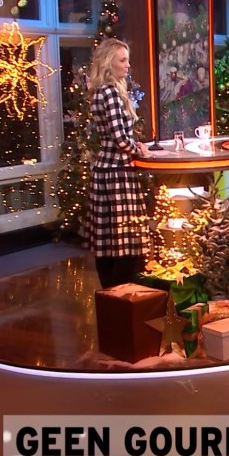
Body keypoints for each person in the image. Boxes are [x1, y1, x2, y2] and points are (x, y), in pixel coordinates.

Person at [86, 38, 151, 289]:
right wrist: (140, 151)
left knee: (108, 242)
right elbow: (120, 139)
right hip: (117, 175)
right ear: (108, 63)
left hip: (105, 172)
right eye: (122, 60)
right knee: (126, 241)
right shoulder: (111, 93)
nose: (128, 65)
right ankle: (122, 295)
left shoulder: (99, 92)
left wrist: (135, 145)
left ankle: (110, 295)